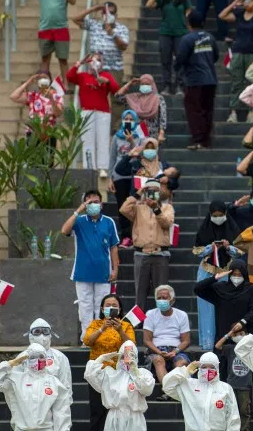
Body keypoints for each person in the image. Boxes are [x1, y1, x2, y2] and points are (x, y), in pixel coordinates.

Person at [196, 260, 253, 431]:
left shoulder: (251, 289)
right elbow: (198, 289)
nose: (237, 278)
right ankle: (221, 420)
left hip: (244, 339)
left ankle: (245, 426)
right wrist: (216, 277)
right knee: (222, 377)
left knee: (244, 381)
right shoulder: (220, 289)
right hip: (223, 340)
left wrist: (242, 323)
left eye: (240, 275)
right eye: (234, 274)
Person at [83, 294, 137, 431]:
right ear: (102, 309)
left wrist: (119, 329)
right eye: (108, 305)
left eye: (114, 305)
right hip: (97, 373)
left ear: (119, 309)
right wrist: (102, 329)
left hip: (118, 374)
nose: (111, 308)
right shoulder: (96, 324)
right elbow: (87, 341)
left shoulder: (126, 325)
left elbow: (131, 345)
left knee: (116, 411)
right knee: (97, 411)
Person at [61, 190, 120, 341]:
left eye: (96, 202)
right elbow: (64, 230)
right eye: (89, 202)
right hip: (82, 272)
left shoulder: (108, 222)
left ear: (101, 204)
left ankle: (102, 337)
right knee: (85, 307)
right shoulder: (79, 221)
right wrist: (78, 211)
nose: (93, 205)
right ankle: (86, 338)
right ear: (85, 204)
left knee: (102, 307)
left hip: (103, 273)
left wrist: (115, 269)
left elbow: (114, 247)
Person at [120, 179, 175, 312]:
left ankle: (162, 321)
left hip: (160, 254)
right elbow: (123, 209)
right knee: (140, 291)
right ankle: (138, 323)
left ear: (159, 192)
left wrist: (156, 208)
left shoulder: (167, 207)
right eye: (149, 191)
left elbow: (167, 223)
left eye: (155, 191)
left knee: (162, 292)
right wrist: (138, 194)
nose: (152, 194)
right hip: (141, 253)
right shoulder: (138, 207)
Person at [194, 201, 242, 348]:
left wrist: (228, 248)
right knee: (206, 307)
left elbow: (240, 250)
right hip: (207, 271)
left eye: (220, 215)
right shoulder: (204, 230)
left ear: (225, 214)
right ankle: (208, 343)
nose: (217, 218)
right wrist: (211, 247)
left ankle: (224, 339)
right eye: (214, 216)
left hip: (226, 271)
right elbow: (197, 251)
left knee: (225, 306)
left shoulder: (232, 229)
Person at [67, 53, 121, 177]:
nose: (95, 62)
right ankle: (89, 167)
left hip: (103, 112)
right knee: (87, 140)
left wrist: (106, 81)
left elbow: (115, 89)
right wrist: (79, 63)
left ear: (102, 63)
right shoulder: (83, 76)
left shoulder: (106, 75)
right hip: (86, 111)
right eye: (93, 60)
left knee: (103, 139)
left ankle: (102, 168)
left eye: (98, 60)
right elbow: (70, 76)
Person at [22, 0, 77, 82]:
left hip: (61, 28)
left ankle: (66, 86)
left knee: (63, 59)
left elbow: (72, 1)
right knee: (45, 58)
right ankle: (44, 84)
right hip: (45, 28)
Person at [220, 0, 253, 123]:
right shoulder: (240, 14)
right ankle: (233, 112)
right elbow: (222, 16)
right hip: (238, 51)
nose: (249, 2)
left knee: (252, 83)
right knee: (237, 81)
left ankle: (252, 112)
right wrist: (235, 2)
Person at [177, 11, 219, 150]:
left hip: (195, 80)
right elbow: (216, 56)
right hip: (211, 80)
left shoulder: (187, 39)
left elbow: (180, 58)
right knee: (208, 110)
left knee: (195, 110)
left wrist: (177, 66)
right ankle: (206, 141)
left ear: (189, 24)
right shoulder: (210, 37)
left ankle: (198, 140)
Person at [146, 0, 193, 95]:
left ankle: (179, 86)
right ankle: (166, 85)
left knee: (180, 60)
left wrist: (186, 22)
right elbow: (149, 5)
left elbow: (189, 10)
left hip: (181, 33)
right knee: (165, 60)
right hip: (165, 33)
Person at [71, 1, 129, 87]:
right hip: (96, 68)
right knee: (96, 95)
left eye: (111, 13)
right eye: (106, 12)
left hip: (114, 69)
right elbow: (75, 19)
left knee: (114, 96)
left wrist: (112, 34)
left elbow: (123, 47)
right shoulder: (94, 25)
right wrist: (94, 8)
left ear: (116, 15)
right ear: (102, 14)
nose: (108, 15)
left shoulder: (122, 28)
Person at [108, 110, 144, 248]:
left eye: (131, 119)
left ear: (135, 121)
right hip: (119, 176)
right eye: (126, 118)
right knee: (122, 207)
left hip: (135, 174)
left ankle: (138, 234)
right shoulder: (116, 137)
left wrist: (132, 142)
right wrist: (110, 178)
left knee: (136, 205)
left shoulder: (139, 137)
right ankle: (126, 237)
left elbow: (142, 156)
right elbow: (112, 158)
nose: (128, 121)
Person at [143, 285, 191, 384]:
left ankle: (169, 390)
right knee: (158, 360)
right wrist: (159, 352)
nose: (161, 300)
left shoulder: (181, 315)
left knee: (181, 363)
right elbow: (147, 340)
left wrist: (175, 351)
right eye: (159, 298)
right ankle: (168, 390)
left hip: (176, 350)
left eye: (165, 298)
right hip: (156, 350)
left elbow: (186, 340)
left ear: (172, 300)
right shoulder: (150, 314)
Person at [115, 75, 167, 144]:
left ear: (152, 85)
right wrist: (129, 83)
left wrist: (161, 133)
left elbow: (162, 117)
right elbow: (118, 96)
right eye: (143, 84)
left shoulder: (158, 98)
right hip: (135, 136)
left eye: (147, 84)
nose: (145, 86)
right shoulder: (134, 98)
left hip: (152, 135)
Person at [9, 72, 64, 137]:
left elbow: (58, 113)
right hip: (33, 131)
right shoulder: (32, 96)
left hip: (49, 132)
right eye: (40, 79)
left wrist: (51, 98)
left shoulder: (57, 97)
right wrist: (28, 82)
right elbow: (13, 97)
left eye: (45, 78)